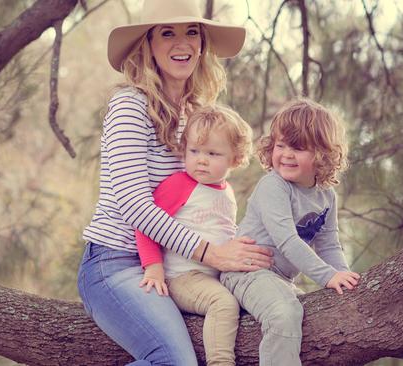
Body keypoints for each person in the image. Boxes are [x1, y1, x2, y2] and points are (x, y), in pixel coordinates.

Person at [77, 0, 274, 364]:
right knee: (174, 361)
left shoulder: (196, 115)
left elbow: (203, 200)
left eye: (192, 32)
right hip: (116, 262)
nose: (182, 43)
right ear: (148, 44)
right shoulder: (130, 105)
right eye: (167, 33)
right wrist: (211, 253)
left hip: (177, 270)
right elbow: (133, 204)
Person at [220, 98, 361, 366]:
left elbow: (329, 244)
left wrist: (342, 278)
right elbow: (287, 241)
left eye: (298, 148)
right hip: (245, 272)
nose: (286, 154)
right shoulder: (273, 187)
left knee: (305, 315)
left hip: (279, 279)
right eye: (280, 145)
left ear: (322, 154)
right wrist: (327, 276)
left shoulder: (326, 195)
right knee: (284, 313)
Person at [135, 105, 253, 366]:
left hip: (215, 275)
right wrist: (153, 268)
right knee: (223, 304)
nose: (201, 159)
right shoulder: (179, 184)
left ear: (235, 158)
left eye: (212, 153)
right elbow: (145, 224)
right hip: (183, 277)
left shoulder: (227, 192)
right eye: (194, 151)